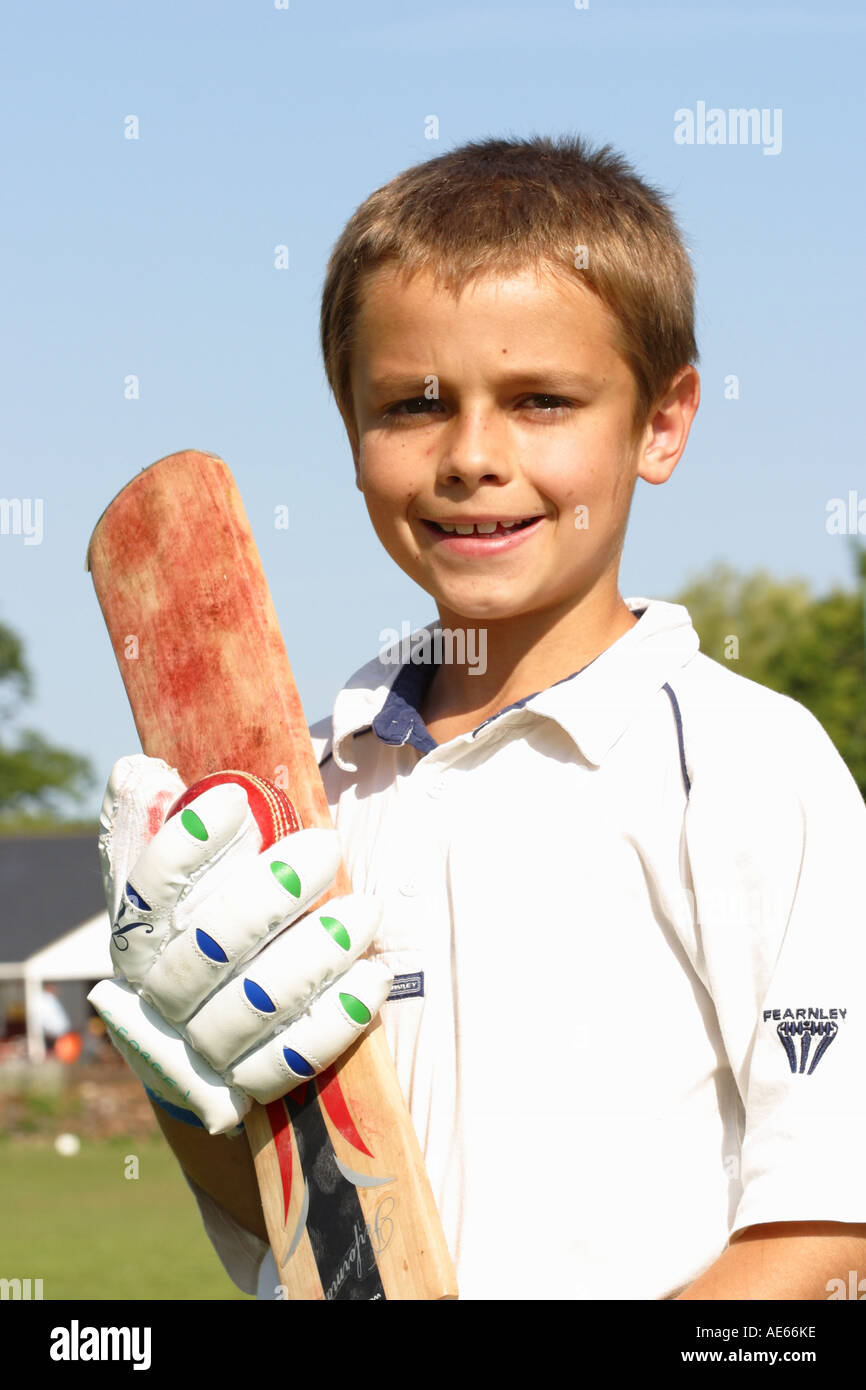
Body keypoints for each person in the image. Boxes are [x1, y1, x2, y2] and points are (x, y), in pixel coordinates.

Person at [95, 134, 866, 1300]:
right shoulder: (308, 793)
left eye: (540, 400)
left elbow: (825, 1236)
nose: (470, 457)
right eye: (412, 404)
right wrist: (190, 1080)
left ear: (661, 423)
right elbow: (297, 1230)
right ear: (351, 435)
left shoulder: (746, 765)